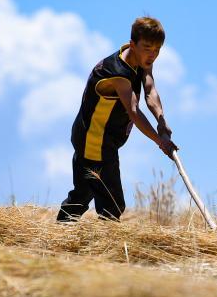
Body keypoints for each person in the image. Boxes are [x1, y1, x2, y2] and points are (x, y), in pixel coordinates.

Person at [57, 16, 178, 222]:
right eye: (147, 48)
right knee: (112, 205)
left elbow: (149, 90)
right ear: (133, 44)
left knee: (82, 195)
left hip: (99, 139)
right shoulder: (117, 72)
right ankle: (102, 244)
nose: (152, 54)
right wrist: (161, 142)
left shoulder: (141, 59)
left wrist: (161, 120)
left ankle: (58, 233)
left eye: (157, 49)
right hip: (95, 140)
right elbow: (134, 111)